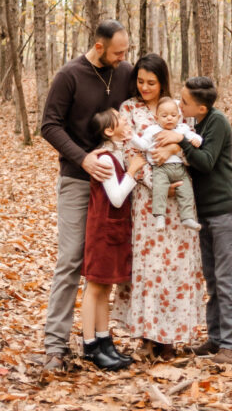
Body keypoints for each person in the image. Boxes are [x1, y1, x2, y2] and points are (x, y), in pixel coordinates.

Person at [41, 20, 132, 371]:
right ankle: (55, 345)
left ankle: (96, 340)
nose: (124, 58)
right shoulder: (70, 75)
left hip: (116, 183)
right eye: (118, 52)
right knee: (71, 259)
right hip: (78, 180)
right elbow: (49, 124)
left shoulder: (123, 72)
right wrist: (83, 158)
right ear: (98, 46)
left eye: (126, 51)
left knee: (105, 262)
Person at [112, 54, 205, 357]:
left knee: (175, 267)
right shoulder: (129, 109)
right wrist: (156, 184)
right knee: (149, 267)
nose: (145, 87)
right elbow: (129, 152)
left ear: (163, 81)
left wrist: (177, 147)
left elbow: (192, 141)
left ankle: (171, 338)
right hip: (146, 199)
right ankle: (147, 337)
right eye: (140, 81)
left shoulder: (178, 107)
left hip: (180, 201)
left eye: (151, 82)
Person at [154, 76, 232, 365]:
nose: (179, 105)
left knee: (226, 279)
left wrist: (180, 143)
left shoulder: (217, 122)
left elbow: (205, 161)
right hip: (204, 211)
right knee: (213, 279)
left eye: (185, 102)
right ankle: (216, 339)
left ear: (201, 108)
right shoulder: (195, 125)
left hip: (223, 210)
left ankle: (230, 344)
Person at [81, 108, 146, 371]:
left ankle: (104, 340)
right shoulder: (106, 159)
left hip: (114, 231)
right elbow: (116, 197)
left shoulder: (117, 153)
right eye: (120, 120)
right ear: (109, 131)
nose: (125, 121)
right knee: (94, 287)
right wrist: (132, 172)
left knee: (105, 288)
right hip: (101, 232)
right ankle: (89, 346)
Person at [132, 96, 202, 231]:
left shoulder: (182, 128)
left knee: (186, 190)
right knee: (159, 189)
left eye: (173, 115)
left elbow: (194, 137)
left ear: (178, 116)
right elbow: (143, 145)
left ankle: (187, 217)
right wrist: (132, 137)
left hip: (180, 169)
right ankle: (160, 216)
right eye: (164, 116)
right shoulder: (152, 130)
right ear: (157, 118)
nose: (169, 118)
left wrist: (197, 140)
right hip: (161, 168)